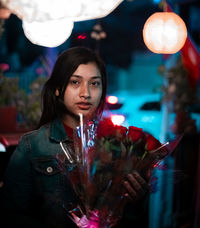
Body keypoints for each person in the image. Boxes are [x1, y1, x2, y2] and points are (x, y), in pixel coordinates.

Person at [0, 46, 149, 228]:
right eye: (75, 82)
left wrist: (136, 201)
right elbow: (12, 215)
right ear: (57, 89)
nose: (85, 93)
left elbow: (132, 220)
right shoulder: (33, 146)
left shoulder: (118, 146)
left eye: (94, 83)